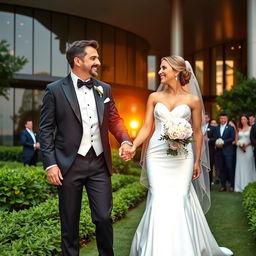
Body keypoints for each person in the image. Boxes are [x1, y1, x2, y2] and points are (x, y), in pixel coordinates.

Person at [126, 56, 233, 256]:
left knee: (180, 197)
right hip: (157, 155)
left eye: (163, 68)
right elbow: (146, 127)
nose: (159, 71)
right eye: (159, 68)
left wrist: (198, 161)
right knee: (159, 197)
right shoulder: (154, 98)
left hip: (183, 157)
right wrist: (133, 146)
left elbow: (198, 132)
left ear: (176, 71)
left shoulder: (192, 100)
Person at [39, 40, 133, 256]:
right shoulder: (54, 90)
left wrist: (125, 140)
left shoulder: (104, 88)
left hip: (99, 164)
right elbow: (45, 130)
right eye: (93, 58)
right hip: (68, 166)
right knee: (69, 223)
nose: (98, 62)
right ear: (77, 60)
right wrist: (50, 164)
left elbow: (115, 120)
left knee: (103, 218)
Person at [214, 113, 236, 192]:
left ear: (226, 119)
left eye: (224, 118)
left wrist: (223, 142)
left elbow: (232, 138)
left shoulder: (230, 128)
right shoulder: (216, 128)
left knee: (230, 168)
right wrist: (217, 143)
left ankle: (232, 185)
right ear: (219, 119)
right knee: (221, 168)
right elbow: (215, 137)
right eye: (221, 118)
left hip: (228, 151)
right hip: (219, 151)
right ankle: (223, 186)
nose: (222, 120)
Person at [235, 114, 256, 192]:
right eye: (241, 119)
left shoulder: (251, 128)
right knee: (240, 166)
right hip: (239, 150)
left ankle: (250, 184)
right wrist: (239, 145)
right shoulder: (239, 129)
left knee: (249, 166)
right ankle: (239, 186)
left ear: (247, 120)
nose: (242, 120)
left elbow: (252, 138)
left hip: (249, 149)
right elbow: (236, 139)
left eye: (244, 119)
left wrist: (246, 145)